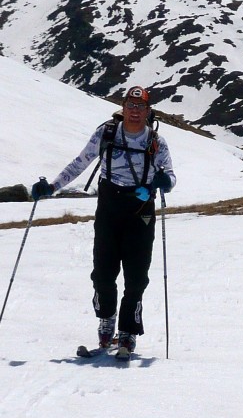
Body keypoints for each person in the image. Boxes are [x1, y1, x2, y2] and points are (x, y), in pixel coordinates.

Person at [31, 86, 176, 357]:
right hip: (109, 208)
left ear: (148, 111)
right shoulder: (106, 134)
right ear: (122, 107)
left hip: (141, 212)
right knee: (103, 274)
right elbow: (80, 163)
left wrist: (165, 181)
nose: (134, 112)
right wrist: (52, 187)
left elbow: (170, 176)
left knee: (136, 277)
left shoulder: (155, 142)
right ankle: (106, 321)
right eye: (130, 106)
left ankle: (128, 333)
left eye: (140, 107)